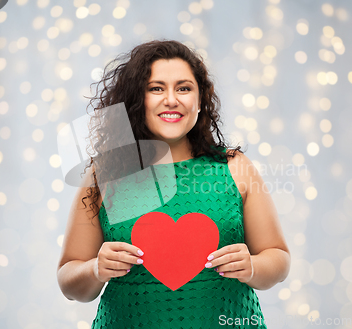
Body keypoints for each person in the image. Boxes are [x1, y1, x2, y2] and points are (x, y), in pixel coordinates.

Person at [57, 39, 291, 328]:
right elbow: (69, 280)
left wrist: (253, 266)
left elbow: (278, 259)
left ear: (200, 99)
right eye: (156, 88)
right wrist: (95, 269)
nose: (171, 99)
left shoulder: (234, 167)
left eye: (184, 88)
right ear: (135, 99)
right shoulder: (103, 174)